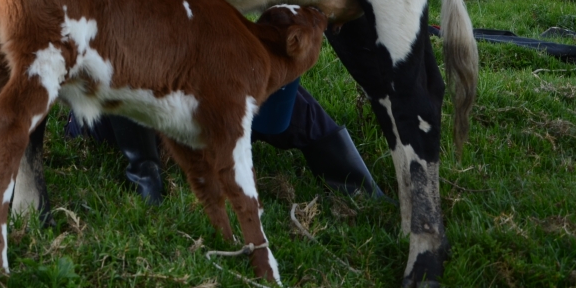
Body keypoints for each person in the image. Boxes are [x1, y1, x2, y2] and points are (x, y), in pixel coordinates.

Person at [67, 81, 384, 203]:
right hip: (131, 97)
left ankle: (355, 183)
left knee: (284, 106)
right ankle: (147, 173)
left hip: (218, 75)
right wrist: (146, 171)